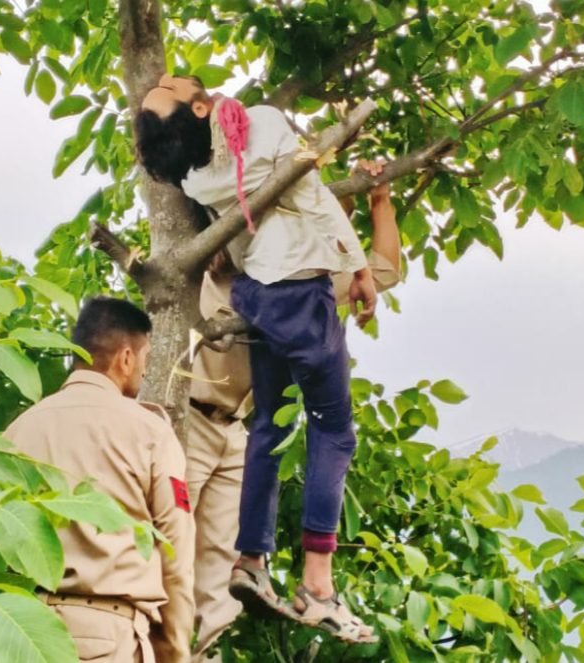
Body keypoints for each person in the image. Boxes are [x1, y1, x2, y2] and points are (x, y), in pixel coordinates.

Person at [136, 75, 380, 644]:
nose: (176, 76)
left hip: (257, 295)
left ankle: (252, 560)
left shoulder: (197, 177)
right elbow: (310, 191)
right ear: (200, 106)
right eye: (177, 86)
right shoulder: (263, 121)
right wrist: (358, 264)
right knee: (335, 431)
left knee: (272, 424)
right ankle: (319, 584)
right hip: (297, 286)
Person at [185, 159, 401, 659]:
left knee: (217, 582)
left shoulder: (312, 279)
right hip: (192, 416)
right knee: (162, 548)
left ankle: (215, 627)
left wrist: (380, 200)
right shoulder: (234, 257)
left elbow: (382, 264)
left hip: (236, 431)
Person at [3, 297, 195, 663]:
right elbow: (175, 548)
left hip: (22, 634)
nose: (142, 372)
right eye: (144, 360)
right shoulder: (149, 431)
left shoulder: (18, 430)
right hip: (109, 637)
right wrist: (174, 649)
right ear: (125, 358)